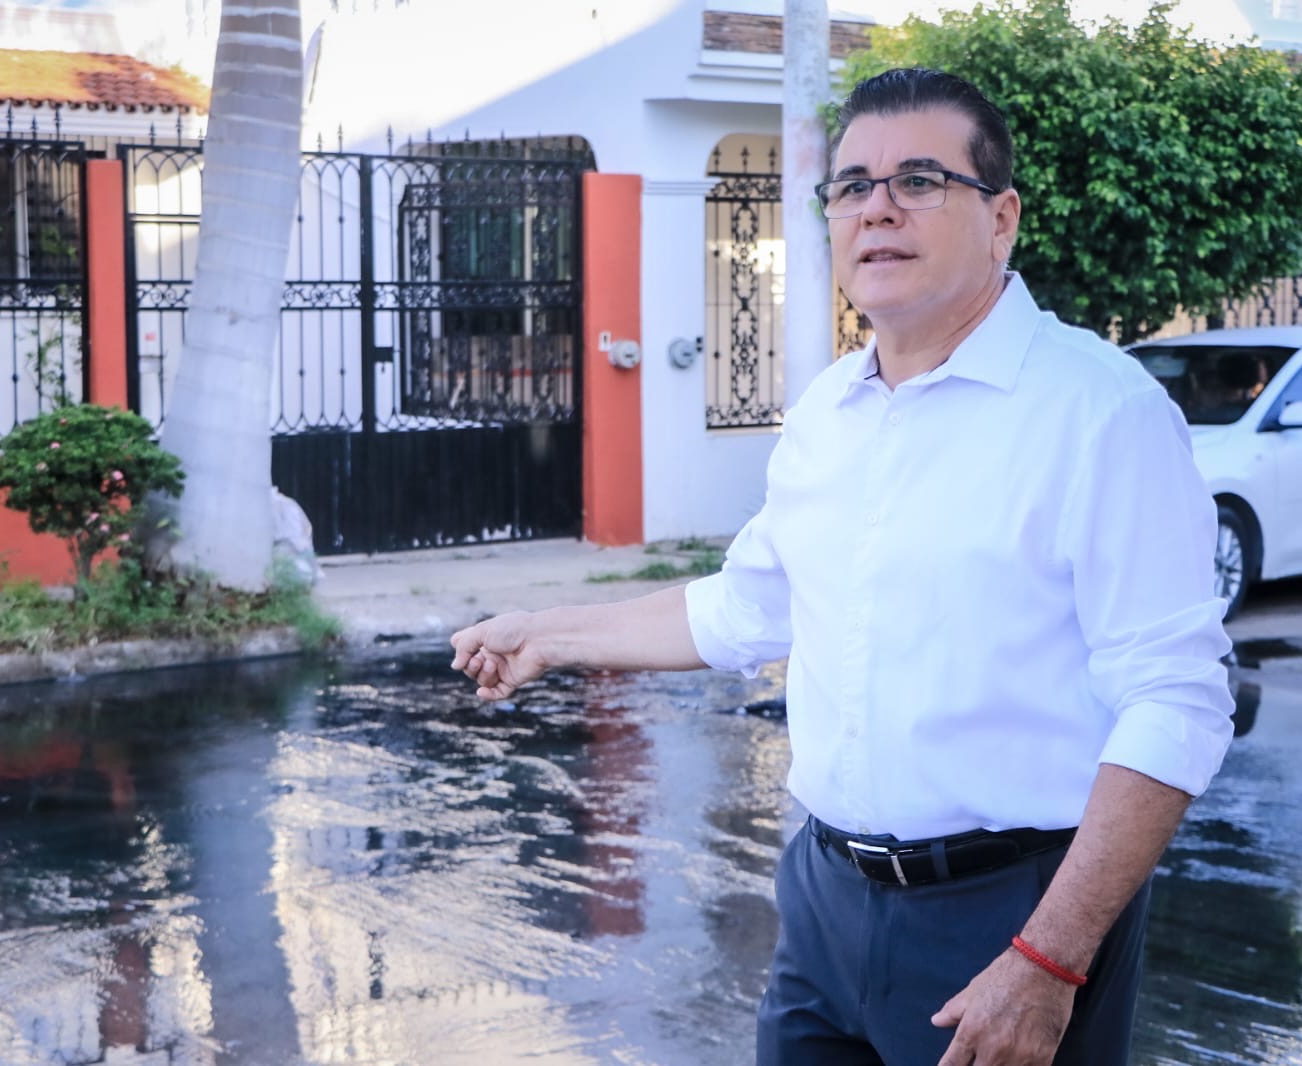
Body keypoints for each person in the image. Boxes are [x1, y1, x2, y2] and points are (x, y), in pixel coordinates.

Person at [450, 67, 1233, 1066]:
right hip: (824, 902)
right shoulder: (829, 410)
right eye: (853, 184)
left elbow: (1175, 701)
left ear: (1001, 218)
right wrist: (547, 634)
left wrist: (1048, 958)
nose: (878, 208)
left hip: (1010, 917)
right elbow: (745, 608)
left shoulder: (1100, 414)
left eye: (919, 180)